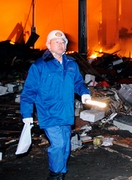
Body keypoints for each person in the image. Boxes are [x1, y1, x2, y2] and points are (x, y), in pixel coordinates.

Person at [20, 30, 91, 180]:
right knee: (58, 145)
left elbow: (78, 82)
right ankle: (55, 174)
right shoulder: (39, 66)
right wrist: (26, 114)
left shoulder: (71, 64)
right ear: (48, 45)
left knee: (66, 145)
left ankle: (60, 173)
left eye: (63, 42)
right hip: (48, 113)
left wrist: (84, 92)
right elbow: (29, 92)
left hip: (66, 112)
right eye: (56, 42)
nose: (60, 44)